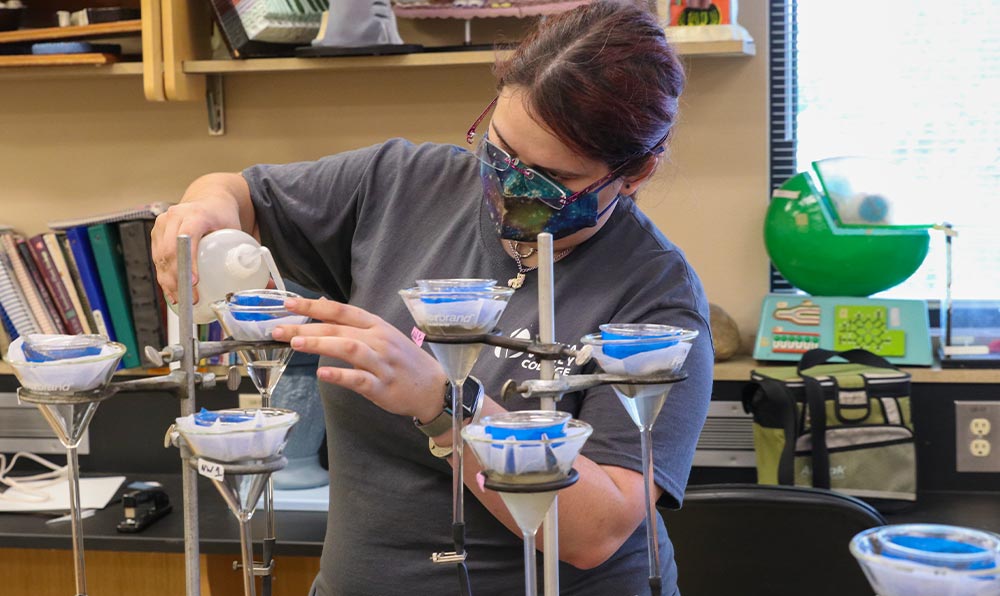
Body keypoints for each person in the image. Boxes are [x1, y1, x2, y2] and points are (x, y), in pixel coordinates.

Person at [151, 1, 713, 594]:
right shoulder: (401, 185)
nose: (507, 191)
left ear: (636, 173)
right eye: (500, 155)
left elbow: (592, 535)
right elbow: (238, 192)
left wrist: (444, 402)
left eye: (550, 183)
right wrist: (203, 210)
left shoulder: (657, 299)